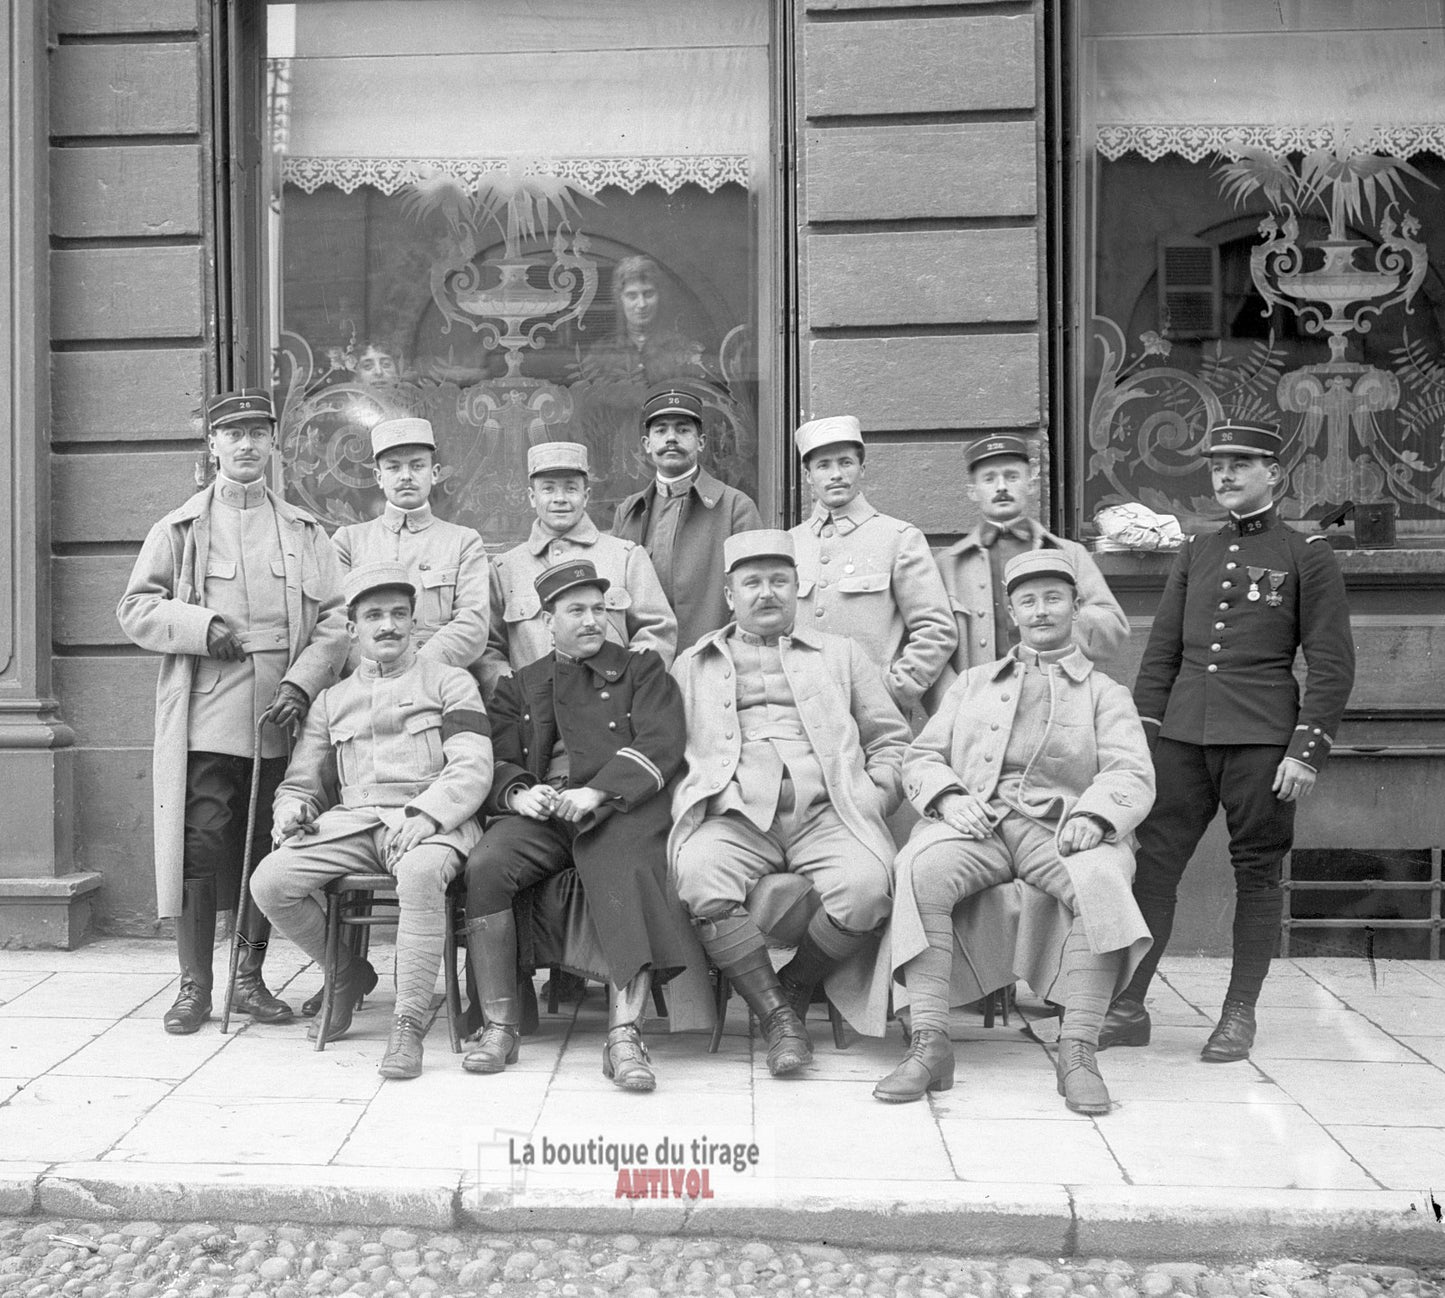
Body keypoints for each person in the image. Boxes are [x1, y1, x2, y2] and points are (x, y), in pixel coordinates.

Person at [1099, 421, 1355, 1062]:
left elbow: (1330, 665)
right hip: (1182, 738)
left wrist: (1305, 750)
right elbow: (1160, 655)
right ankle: (1129, 1005)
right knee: (1151, 871)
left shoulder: (1307, 554)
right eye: (1217, 465)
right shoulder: (1196, 552)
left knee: (1257, 877)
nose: (1226, 475)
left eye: (1242, 463)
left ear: (1276, 473)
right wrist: (1145, 740)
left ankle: (1239, 1014)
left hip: (1263, 742)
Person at [874, 550, 1155, 1113]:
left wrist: (1095, 816)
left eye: (1054, 598)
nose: (1041, 611)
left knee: (1101, 881)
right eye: (1028, 601)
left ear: (1076, 607)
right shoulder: (973, 684)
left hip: (1062, 829)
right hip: (979, 824)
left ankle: (1077, 1051)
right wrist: (949, 797)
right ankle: (930, 1044)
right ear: (1011, 611)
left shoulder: (1106, 693)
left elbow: (1131, 771)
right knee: (920, 869)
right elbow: (922, 756)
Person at [116, 389, 349, 1034]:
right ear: (212, 445)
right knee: (203, 843)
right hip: (209, 716)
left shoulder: (305, 531)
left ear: (275, 444)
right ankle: (194, 985)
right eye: (233, 433)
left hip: (282, 715)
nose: (246, 444)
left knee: (268, 848)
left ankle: (248, 979)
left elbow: (335, 621)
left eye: (258, 432)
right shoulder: (180, 528)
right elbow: (136, 607)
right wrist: (202, 624)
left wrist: (302, 685)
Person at [669, 530, 910, 1075]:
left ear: (798, 589)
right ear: (730, 595)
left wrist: (874, 794)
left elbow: (891, 739)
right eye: (751, 583)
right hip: (733, 816)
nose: (766, 593)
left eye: (779, 580)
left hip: (829, 812)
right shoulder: (694, 664)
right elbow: (667, 747)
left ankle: (796, 984)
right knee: (697, 873)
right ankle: (778, 1016)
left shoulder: (843, 655)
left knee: (870, 886)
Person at [248, 562, 494, 1079]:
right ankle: (344, 969)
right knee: (269, 881)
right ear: (353, 627)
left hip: (434, 820)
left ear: (414, 622)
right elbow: (298, 785)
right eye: (375, 615)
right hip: (354, 823)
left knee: (422, 875)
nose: (388, 626)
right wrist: (292, 813)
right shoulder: (331, 701)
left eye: (400, 615)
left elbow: (472, 766)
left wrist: (427, 815)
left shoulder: (452, 683)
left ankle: (407, 1023)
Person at [460, 559, 696, 1090]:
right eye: (577, 611)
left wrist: (599, 791)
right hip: (547, 814)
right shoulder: (521, 684)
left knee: (623, 863)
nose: (592, 621)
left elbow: (663, 742)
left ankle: (624, 1037)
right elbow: (494, 756)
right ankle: (500, 1026)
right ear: (548, 619)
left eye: (600, 609)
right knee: (487, 864)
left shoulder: (642, 670)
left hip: (619, 806)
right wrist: (522, 792)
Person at [930, 435, 1127, 703]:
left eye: (1012, 477)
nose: (1001, 487)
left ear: (1031, 484)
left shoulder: (1070, 555)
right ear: (972, 491)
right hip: (978, 707)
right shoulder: (948, 565)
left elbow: (1113, 631)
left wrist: (1059, 618)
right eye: (989, 479)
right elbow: (932, 646)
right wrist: (956, 705)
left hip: (1057, 701)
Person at [789, 415, 956, 716]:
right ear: (808, 475)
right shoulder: (789, 544)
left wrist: (894, 690)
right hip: (799, 713)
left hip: (872, 719)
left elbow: (936, 629)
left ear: (862, 469)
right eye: (823, 465)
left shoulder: (899, 538)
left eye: (846, 463)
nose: (836, 474)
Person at [480, 441, 676, 695]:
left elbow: (658, 632)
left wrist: (625, 688)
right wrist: (516, 695)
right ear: (532, 497)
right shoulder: (504, 569)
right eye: (548, 489)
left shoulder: (626, 556)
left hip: (613, 714)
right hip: (532, 719)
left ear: (586, 496)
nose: (560, 499)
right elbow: (487, 649)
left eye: (571, 489)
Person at [331, 416, 490, 674]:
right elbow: (336, 623)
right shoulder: (348, 541)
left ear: (434, 473)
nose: (406, 476)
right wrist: (374, 672)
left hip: (439, 683)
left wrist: (414, 670)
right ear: (379, 477)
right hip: (366, 685)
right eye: (393, 468)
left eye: (417, 466)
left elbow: (473, 624)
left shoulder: (463, 542)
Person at [612, 384, 763, 652]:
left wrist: (729, 655)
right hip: (643, 668)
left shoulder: (735, 507)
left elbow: (750, 596)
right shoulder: (629, 512)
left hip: (713, 659)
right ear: (647, 445)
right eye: (661, 430)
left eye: (683, 430)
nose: (671, 438)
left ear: (701, 442)